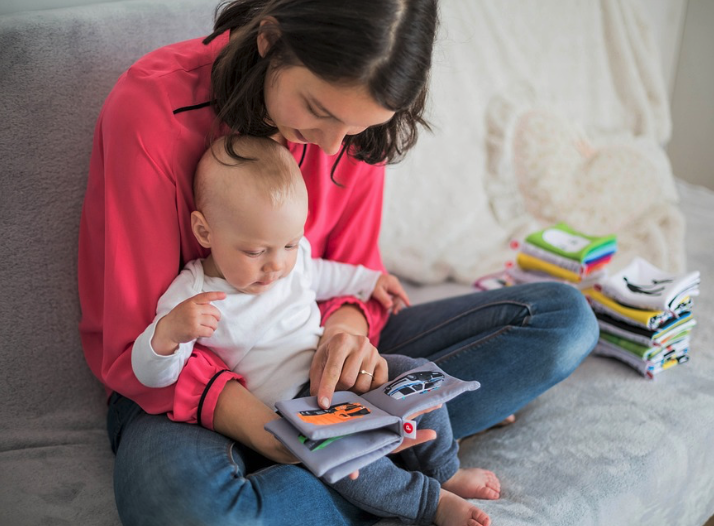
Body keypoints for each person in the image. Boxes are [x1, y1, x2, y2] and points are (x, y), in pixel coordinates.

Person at [78, 0, 599, 524]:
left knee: (565, 321)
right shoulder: (150, 111)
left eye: (355, 128)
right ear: (270, 40)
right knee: (191, 512)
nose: (333, 146)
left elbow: (351, 274)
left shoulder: (353, 127)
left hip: (316, 365)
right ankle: (384, 469)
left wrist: (345, 338)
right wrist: (268, 429)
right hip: (178, 390)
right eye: (319, 111)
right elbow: (140, 345)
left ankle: (361, 460)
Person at [130, 135, 499, 525]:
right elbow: (153, 376)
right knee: (350, 460)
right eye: (255, 252)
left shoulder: (291, 258)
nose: (276, 266)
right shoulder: (194, 293)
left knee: (417, 373)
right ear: (205, 232)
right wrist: (169, 334)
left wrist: (368, 281)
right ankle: (429, 503)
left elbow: (322, 273)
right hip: (295, 407)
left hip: (335, 369)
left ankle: (444, 469)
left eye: (289, 245)